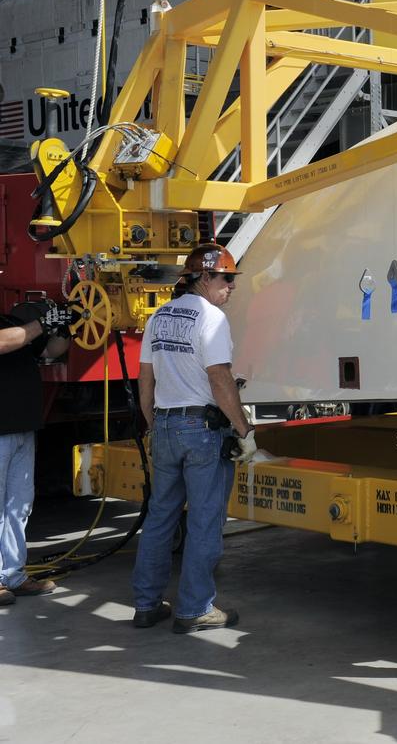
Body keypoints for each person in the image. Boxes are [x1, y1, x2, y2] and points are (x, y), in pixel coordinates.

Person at [132, 243, 256, 633]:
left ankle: (146, 604)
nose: (231, 286)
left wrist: (153, 422)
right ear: (203, 277)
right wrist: (243, 429)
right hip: (201, 431)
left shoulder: (158, 317)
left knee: (160, 518)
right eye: (226, 278)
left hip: (166, 425)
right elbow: (219, 378)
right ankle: (194, 609)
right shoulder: (212, 319)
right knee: (204, 521)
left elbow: (146, 377)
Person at [0, 301, 72, 605]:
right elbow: (6, 341)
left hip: (22, 429)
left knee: (18, 506)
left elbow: (49, 351)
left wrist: (66, 325)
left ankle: (13, 575)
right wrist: (43, 322)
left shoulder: (9, 320)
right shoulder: (12, 330)